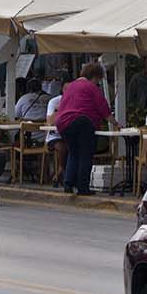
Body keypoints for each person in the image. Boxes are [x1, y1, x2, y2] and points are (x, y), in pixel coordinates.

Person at [54, 61, 112, 196]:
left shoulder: (71, 86)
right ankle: (83, 187)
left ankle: (68, 183)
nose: (98, 83)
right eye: (98, 80)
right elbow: (103, 108)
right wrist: (115, 123)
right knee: (86, 155)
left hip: (63, 122)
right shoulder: (91, 87)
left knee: (73, 153)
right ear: (95, 77)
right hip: (82, 121)